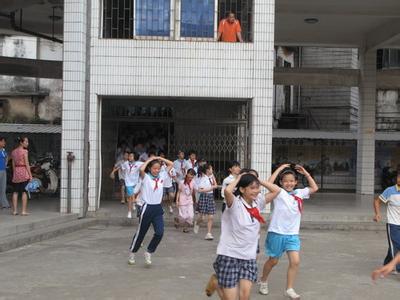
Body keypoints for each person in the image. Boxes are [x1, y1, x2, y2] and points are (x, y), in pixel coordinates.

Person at [209, 173, 278, 300]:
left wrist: (258, 181)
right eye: (252, 188)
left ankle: (218, 283)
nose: (256, 191)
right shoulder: (235, 204)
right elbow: (228, 191)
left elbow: (276, 190)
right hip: (230, 255)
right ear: (242, 189)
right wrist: (239, 178)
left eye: (257, 188)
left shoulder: (258, 202)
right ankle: (218, 284)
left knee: (245, 297)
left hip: (248, 257)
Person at [259, 163, 318, 299]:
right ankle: (263, 280)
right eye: (285, 181)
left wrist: (306, 173)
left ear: (296, 182)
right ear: (281, 182)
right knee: (273, 261)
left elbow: (314, 188)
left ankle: (289, 289)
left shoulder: (300, 193)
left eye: (291, 181)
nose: (289, 183)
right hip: (277, 232)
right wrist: (279, 169)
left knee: (295, 261)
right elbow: (268, 183)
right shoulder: (278, 192)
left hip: (292, 234)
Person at [128, 156, 173, 266]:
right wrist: (150, 160)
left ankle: (149, 252)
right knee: (141, 233)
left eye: (158, 168)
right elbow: (141, 169)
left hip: (157, 208)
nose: (156, 170)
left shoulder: (162, 175)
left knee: (160, 232)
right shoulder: (146, 177)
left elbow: (171, 163)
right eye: (154, 168)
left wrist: (159, 158)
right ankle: (132, 252)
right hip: (147, 208)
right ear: (150, 169)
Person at [373, 171, 400, 273]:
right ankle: (397, 268)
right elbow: (377, 201)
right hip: (393, 224)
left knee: (394, 244)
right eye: (398, 177)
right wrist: (377, 214)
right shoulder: (390, 191)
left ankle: (387, 263)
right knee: (396, 244)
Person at [194, 164, 219, 240]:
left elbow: (216, 185)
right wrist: (210, 188)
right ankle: (197, 223)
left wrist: (213, 187)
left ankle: (209, 233)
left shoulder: (211, 176)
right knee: (202, 217)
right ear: (207, 170)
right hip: (204, 197)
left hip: (210, 197)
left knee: (211, 217)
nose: (212, 170)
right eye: (211, 169)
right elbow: (200, 190)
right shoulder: (203, 179)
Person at [10, 136, 32, 216]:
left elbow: (12, 164)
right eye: (26, 142)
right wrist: (30, 175)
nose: (27, 143)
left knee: (15, 192)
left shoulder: (13, 152)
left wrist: (15, 173)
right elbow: (27, 164)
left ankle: (15, 211)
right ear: (21, 142)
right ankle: (23, 211)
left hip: (16, 172)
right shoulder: (25, 151)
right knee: (24, 192)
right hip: (23, 172)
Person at [175, 169, 197, 233]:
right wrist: (177, 201)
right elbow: (178, 192)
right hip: (182, 200)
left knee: (190, 215)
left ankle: (185, 228)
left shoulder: (193, 182)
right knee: (183, 216)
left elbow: (195, 190)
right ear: (187, 174)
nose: (191, 177)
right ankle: (177, 220)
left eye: (192, 176)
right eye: (190, 175)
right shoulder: (181, 182)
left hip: (189, 200)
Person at [0, 137, 10, 209]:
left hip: (3, 170)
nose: (4, 143)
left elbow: (7, 157)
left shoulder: (3, 150)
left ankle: (4, 204)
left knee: (3, 188)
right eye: (3, 141)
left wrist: (6, 163)